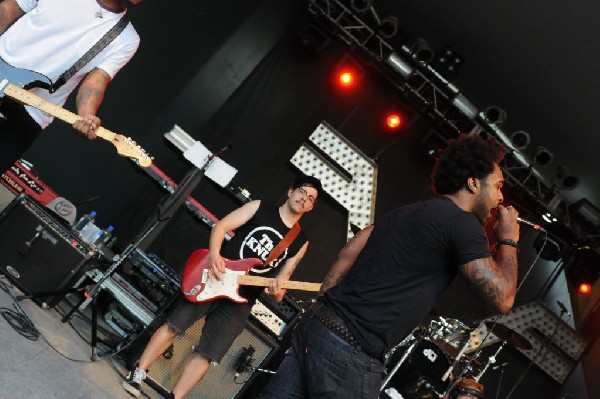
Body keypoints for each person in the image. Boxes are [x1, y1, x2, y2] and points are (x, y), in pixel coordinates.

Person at [260, 134, 520, 398]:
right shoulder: (464, 225)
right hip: (352, 348)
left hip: (319, 324)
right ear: (474, 183)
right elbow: (502, 299)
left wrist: (327, 314)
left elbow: (347, 254)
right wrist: (508, 239)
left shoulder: (406, 211)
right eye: (498, 186)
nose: (500, 197)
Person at [122, 175, 323, 399]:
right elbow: (222, 226)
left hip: (243, 298)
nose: (304, 199)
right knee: (174, 326)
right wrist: (215, 255)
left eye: (310, 199)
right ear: (291, 191)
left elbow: (283, 280)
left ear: (312, 207)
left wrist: (277, 292)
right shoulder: (260, 208)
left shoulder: (300, 241)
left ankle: (175, 397)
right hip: (216, 276)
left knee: (209, 352)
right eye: (302, 192)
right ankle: (138, 372)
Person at [0, 0, 143, 173]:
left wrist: (86, 115)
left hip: (29, 113)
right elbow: (9, 10)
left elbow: (96, 82)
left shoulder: (126, 38)